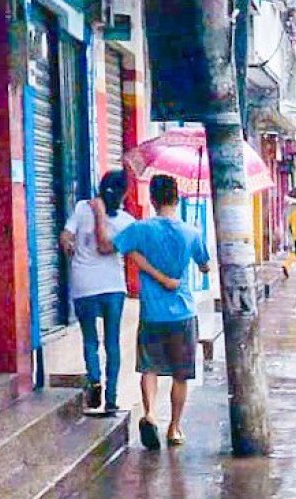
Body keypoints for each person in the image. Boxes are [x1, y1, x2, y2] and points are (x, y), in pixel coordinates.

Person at [113, 175, 211, 450]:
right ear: (176, 199)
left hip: (152, 313)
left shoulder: (141, 228)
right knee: (181, 374)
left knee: (149, 367)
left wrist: (149, 268)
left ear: (153, 199)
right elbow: (205, 266)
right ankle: (175, 428)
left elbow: (120, 247)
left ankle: (150, 414)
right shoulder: (191, 232)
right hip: (183, 313)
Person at [60, 170, 135, 413]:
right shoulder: (127, 222)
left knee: (90, 339)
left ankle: (94, 380)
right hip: (113, 287)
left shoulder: (83, 208)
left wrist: (69, 246)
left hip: (84, 285)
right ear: (124, 194)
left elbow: (65, 236)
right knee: (112, 342)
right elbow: (108, 247)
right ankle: (111, 398)